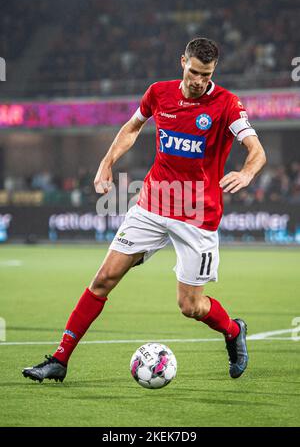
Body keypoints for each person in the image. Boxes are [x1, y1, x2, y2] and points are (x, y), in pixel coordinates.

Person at [23, 37, 266, 383]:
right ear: (182, 61)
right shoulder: (158, 93)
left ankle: (232, 330)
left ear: (214, 71)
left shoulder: (227, 104)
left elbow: (256, 148)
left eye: (206, 75)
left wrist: (246, 172)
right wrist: (107, 162)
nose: (199, 81)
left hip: (198, 214)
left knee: (190, 307)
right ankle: (59, 359)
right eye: (194, 72)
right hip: (152, 203)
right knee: (103, 279)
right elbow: (133, 127)